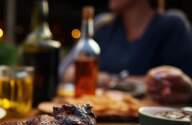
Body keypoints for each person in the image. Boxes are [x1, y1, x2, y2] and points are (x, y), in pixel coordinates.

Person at [61, 0, 192, 82]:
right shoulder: (103, 25)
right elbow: (65, 71)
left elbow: (179, 82)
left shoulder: (171, 25)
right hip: (104, 114)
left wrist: (107, 80)